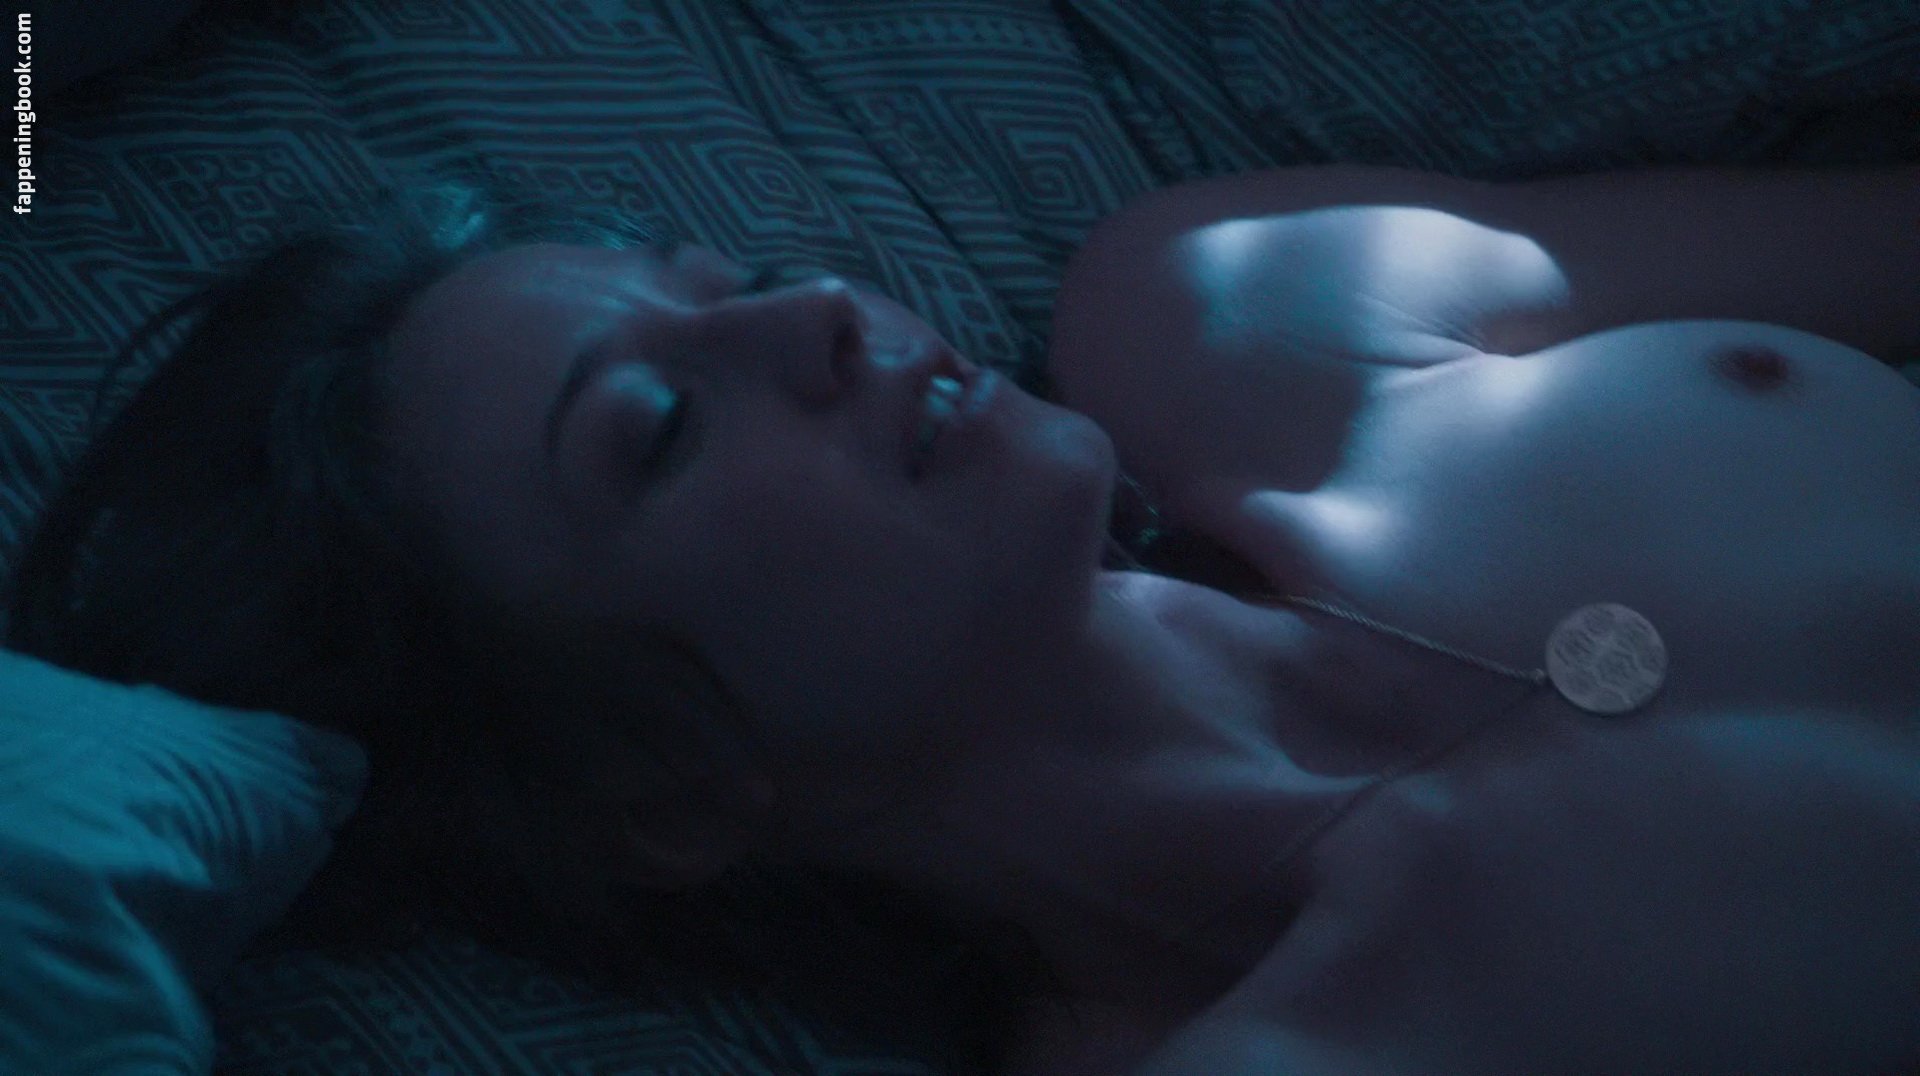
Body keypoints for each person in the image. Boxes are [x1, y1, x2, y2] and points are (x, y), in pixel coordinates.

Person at [6, 162, 1918, 1075]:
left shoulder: (1261, 322)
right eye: (659, 425)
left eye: (734, 273)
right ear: (663, 791)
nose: (820, 311)